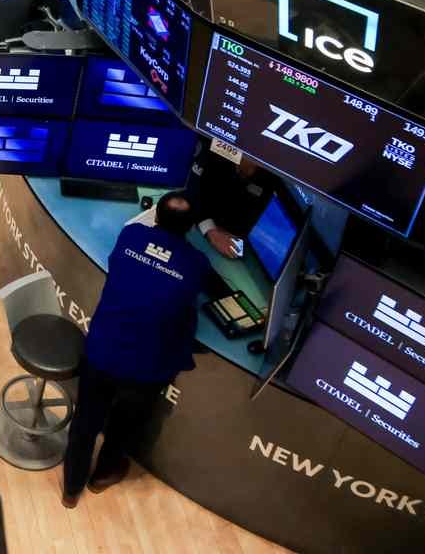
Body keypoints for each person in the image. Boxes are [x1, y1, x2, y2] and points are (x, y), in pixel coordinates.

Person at [62, 192, 217, 508]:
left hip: (102, 352)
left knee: (85, 423)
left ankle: (71, 488)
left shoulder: (131, 235)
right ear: (190, 227)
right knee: (124, 424)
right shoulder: (197, 263)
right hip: (147, 368)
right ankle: (102, 475)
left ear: (156, 217)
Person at [183, 140, 286, 259]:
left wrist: (235, 234)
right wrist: (211, 231)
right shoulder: (220, 151)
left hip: (230, 235)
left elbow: (254, 216)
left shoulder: (272, 177)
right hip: (199, 223)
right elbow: (196, 193)